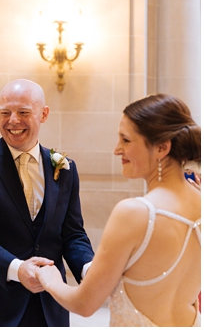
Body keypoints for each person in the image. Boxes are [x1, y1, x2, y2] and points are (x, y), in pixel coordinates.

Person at [37, 93, 201, 327]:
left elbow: (84, 304)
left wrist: (50, 279)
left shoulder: (135, 213)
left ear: (162, 148)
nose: (116, 150)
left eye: (126, 140)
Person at [0, 79, 95, 326]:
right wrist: (17, 269)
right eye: (5, 112)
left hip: (50, 307)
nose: (13, 120)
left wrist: (90, 271)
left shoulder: (64, 168)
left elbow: (72, 235)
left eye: (24, 112)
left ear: (44, 114)